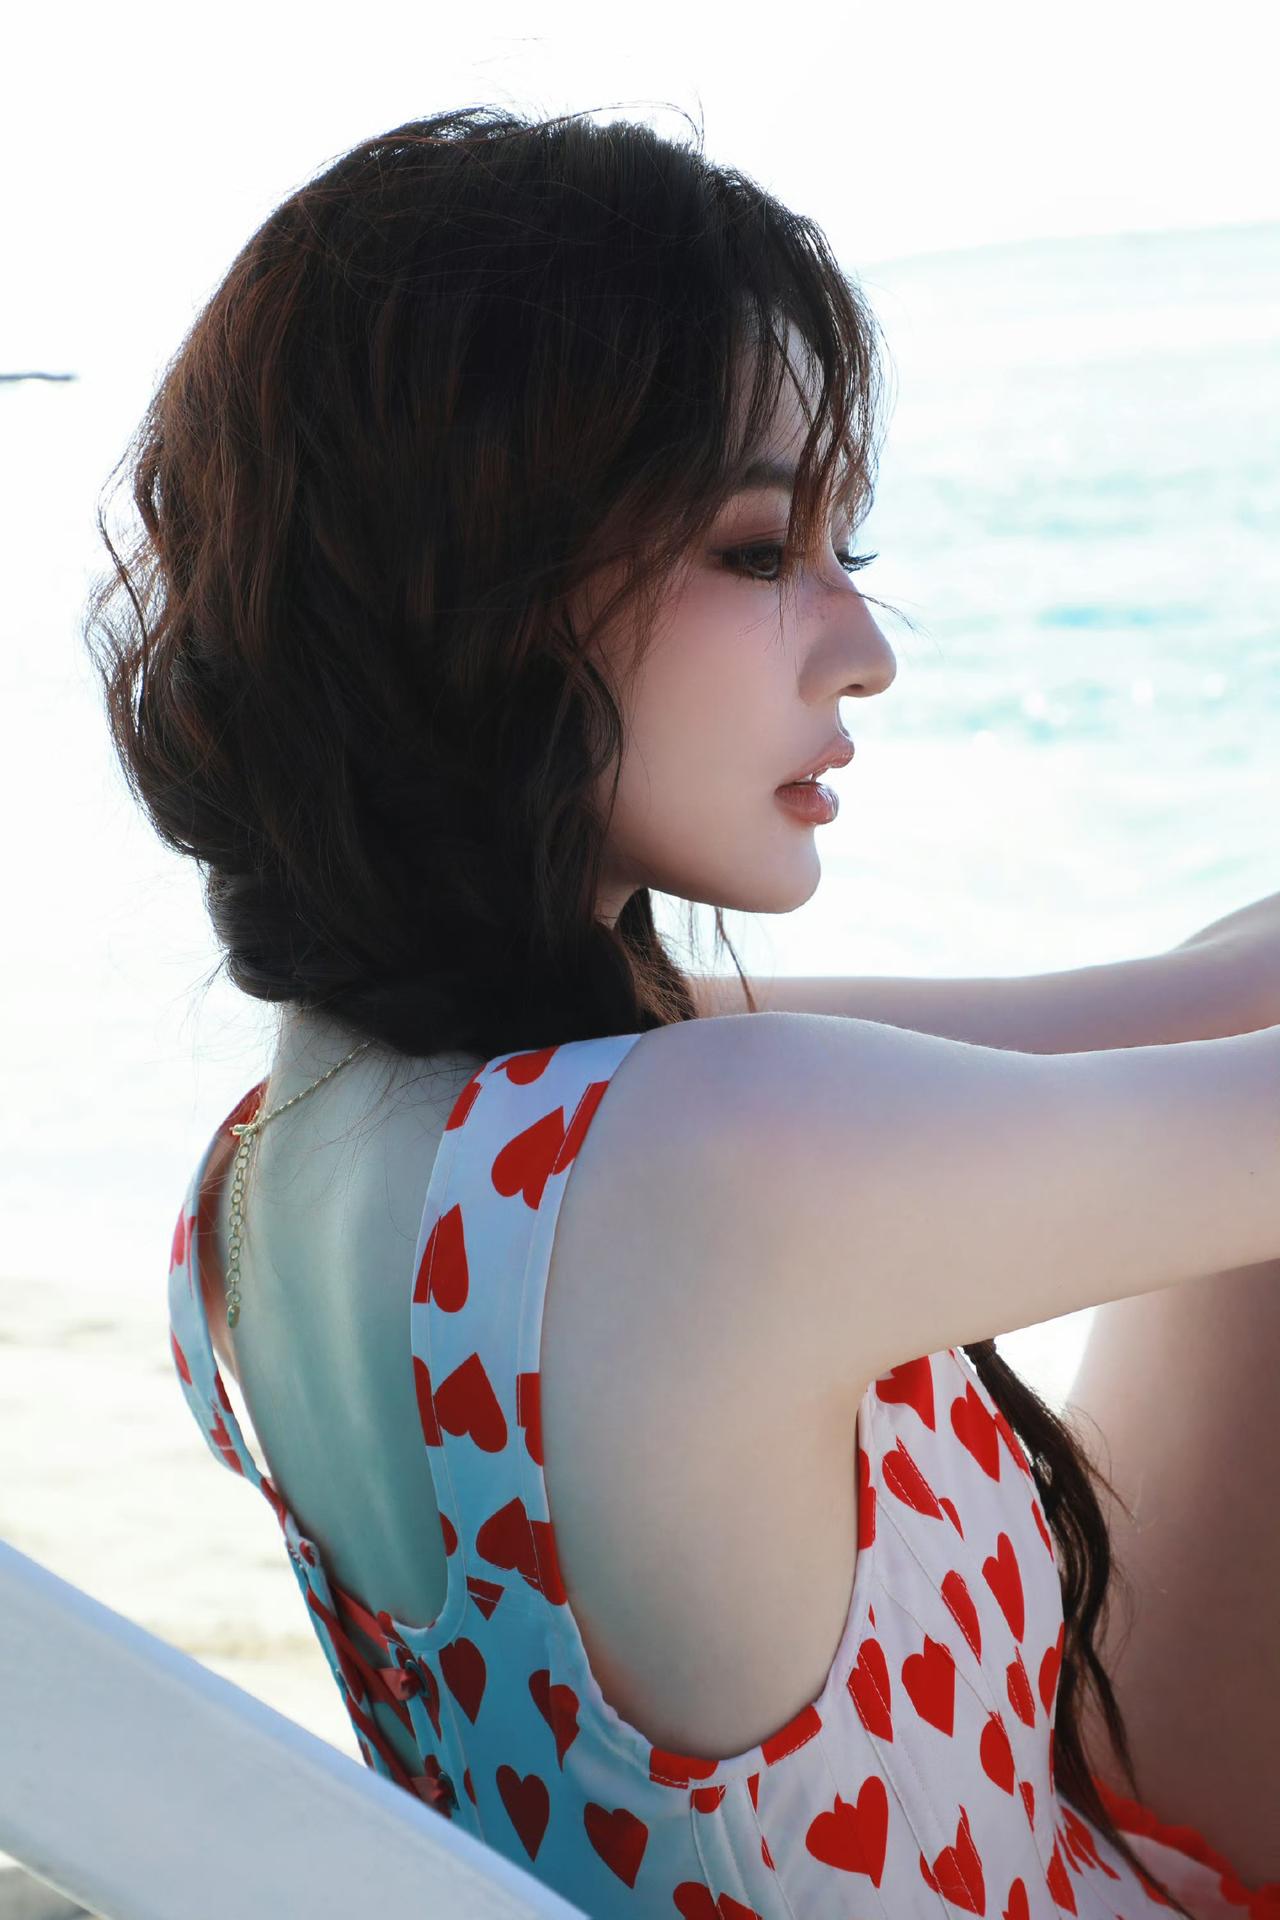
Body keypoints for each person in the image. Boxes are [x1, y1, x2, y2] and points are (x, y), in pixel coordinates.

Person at [84, 105, 1278, 1918]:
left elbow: (1190, 1002)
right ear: (463, 580)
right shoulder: (711, 1166)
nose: (865, 648)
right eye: (757, 549)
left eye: (842, 545)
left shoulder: (285, 1164)